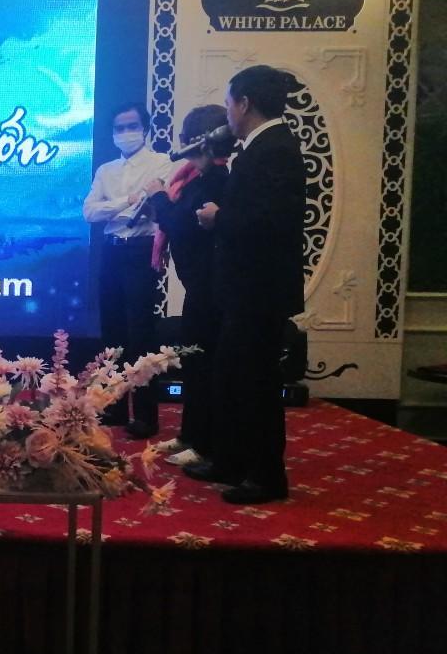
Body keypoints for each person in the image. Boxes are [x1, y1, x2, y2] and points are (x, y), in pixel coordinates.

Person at [187, 66, 305, 504]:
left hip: (260, 292)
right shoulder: (259, 147)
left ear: (245, 103)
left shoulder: (276, 149)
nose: (227, 114)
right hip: (243, 290)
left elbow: (269, 222)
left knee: (256, 385)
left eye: (228, 103)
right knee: (232, 378)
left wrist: (218, 218)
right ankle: (230, 461)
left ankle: (266, 477)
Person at [142, 105, 231, 467]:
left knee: (205, 367)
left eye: (185, 137)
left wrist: (158, 196)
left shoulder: (217, 180)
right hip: (197, 286)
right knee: (194, 365)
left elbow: (181, 225)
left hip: (212, 288)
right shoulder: (194, 178)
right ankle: (189, 435)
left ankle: (205, 442)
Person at [82, 102, 176, 439]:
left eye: (132, 126)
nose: (125, 133)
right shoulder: (106, 170)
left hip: (141, 250)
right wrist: (127, 202)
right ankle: (115, 407)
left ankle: (146, 416)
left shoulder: (161, 163)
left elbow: (153, 208)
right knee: (112, 333)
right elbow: (90, 212)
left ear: (145, 129)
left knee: (141, 334)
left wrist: (121, 208)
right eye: (119, 128)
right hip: (111, 250)